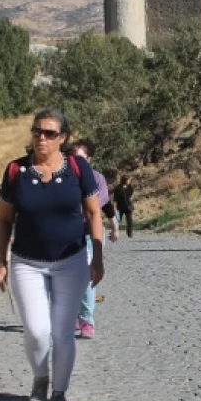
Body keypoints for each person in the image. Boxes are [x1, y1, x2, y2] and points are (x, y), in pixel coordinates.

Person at [0, 108, 104, 401]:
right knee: (37, 331)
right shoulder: (15, 170)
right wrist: (0, 261)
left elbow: (94, 214)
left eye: (50, 133)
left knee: (62, 333)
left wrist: (99, 258)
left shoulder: (78, 168)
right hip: (27, 262)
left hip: (71, 261)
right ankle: (40, 379)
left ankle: (59, 392)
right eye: (37, 131)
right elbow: (4, 220)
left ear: (62, 138)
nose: (42, 138)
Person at [71, 140, 119, 340]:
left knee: (88, 278)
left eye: (80, 158)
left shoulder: (96, 178)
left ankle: (87, 321)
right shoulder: (62, 177)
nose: (75, 162)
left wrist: (115, 226)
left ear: (89, 159)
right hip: (67, 234)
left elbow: (100, 206)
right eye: (72, 157)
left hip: (90, 233)